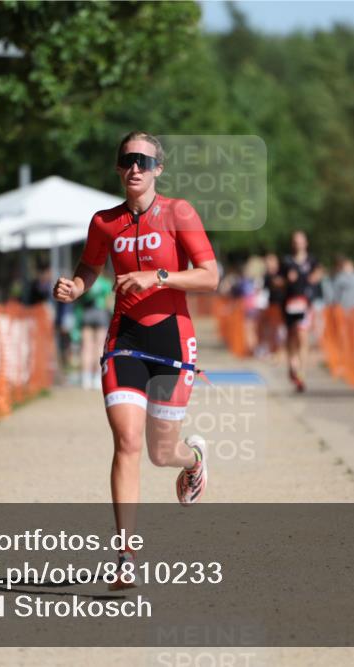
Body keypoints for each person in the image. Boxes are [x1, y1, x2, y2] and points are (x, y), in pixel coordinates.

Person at [52, 131, 219, 589]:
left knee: (161, 450)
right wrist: (75, 287)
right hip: (125, 340)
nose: (135, 168)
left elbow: (210, 276)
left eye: (144, 161)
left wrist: (159, 276)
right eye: (127, 160)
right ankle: (125, 554)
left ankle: (192, 461)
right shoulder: (104, 222)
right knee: (126, 440)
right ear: (119, 167)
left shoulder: (178, 212)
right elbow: (90, 267)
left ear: (158, 169)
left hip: (171, 340)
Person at [279, 230, 322, 393]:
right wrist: (285, 280)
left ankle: (302, 372)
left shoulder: (312, 260)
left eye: (300, 241)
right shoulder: (286, 262)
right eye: (295, 241)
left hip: (305, 304)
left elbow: (319, 271)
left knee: (302, 336)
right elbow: (277, 281)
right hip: (289, 304)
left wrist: (314, 277)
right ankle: (292, 364)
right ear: (292, 244)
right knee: (291, 337)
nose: (298, 244)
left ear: (306, 243)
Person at [80, 271, 114, 388]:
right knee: (99, 347)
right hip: (101, 313)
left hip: (87, 313)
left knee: (86, 347)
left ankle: (86, 378)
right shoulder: (105, 283)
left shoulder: (86, 280)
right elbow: (109, 302)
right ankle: (96, 378)